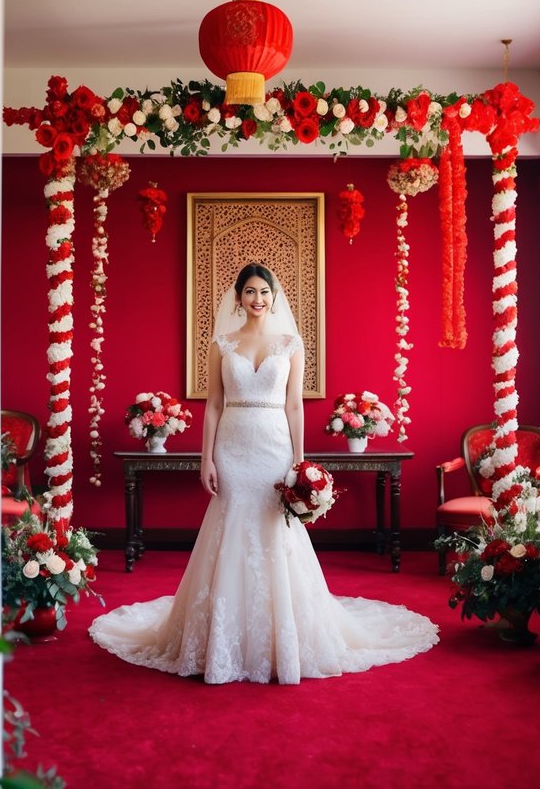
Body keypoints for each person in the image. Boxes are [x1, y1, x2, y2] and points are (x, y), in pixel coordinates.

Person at [89, 264, 438, 684]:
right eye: (250, 292)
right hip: (233, 448)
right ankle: (223, 639)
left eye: (264, 292)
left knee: (276, 529)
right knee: (232, 523)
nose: (258, 299)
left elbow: (294, 405)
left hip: (274, 446)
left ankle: (280, 638)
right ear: (238, 297)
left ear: (274, 297)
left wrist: (301, 462)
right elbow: (214, 406)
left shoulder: (291, 343)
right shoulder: (222, 344)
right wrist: (207, 459)